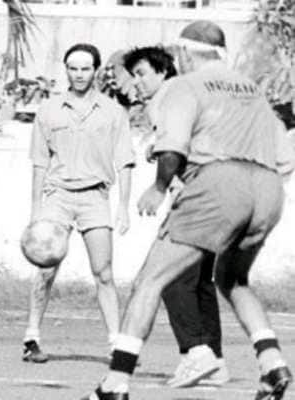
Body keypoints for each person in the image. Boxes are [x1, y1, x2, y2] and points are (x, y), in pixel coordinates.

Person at [85, 20, 294, 400]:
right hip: (268, 190)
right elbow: (286, 156)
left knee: (150, 281)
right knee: (233, 281)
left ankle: (115, 383)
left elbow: (174, 147)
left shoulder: (185, 85)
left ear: (183, 53)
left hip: (218, 183)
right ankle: (272, 365)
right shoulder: (252, 91)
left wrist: (160, 186)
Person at [123, 45, 229, 388]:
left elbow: (174, 151)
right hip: (225, 193)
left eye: (141, 74)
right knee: (199, 281)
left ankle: (197, 352)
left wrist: (158, 187)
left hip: (201, 196)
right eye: (133, 76)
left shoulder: (170, 95)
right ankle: (215, 361)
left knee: (167, 278)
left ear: (163, 72)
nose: (136, 82)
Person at [22, 43, 135, 363]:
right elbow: (39, 162)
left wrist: (123, 206)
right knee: (46, 266)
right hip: (57, 196)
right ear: (66, 70)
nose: (79, 74)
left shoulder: (114, 112)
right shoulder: (49, 110)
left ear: (96, 70)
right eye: (73, 68)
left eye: (86, 68)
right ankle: (31, 338)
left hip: (95, 197)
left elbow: (125, 161)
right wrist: (35, 210)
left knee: (104, 272)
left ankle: (116, 344)